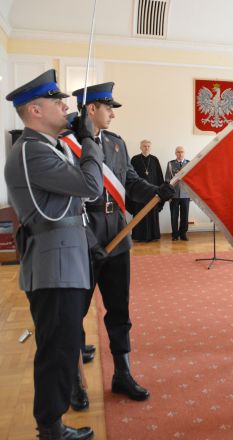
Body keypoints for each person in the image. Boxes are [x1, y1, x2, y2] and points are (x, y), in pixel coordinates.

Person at [4, 69, 103, 440]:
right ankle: (51, 429)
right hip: (54, 265)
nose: (66, 107)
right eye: (57, 102)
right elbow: (90, 187)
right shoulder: (32, 152)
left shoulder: (47, 147)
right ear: (35, 110)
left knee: (61, 347)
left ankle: (53, 425)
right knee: (57, 351)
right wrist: (89, 139)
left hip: (65, 260)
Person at [71, 82, 175, 403]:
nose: (113, 114)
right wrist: (88, 241)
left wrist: (156, 191)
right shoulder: (68, 144)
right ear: (92, 109)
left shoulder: (116, 144)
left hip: (117, 234)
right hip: (82, 236)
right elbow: (67, 200)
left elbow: (130, 182)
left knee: (119, 309)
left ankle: (122, 372)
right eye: (108, 108)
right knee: (74, 311)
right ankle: (74, 379)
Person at [129, 139, 164, 242]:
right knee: (140, 214)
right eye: (144, 146)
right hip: (139, 193)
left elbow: (159, 177)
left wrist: (160, 191)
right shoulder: (134, 159)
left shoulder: (154, 159)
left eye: (148, 146)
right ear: (140, 147)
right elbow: (130, 176)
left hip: (153, 193)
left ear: (150, 147)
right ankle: (139, 236)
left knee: (152, 213)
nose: (146, 148)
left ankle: (153, 235)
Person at [165, 146, 191, 241]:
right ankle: (175, 234)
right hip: (174, 194)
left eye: (182, 152)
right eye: (178, 152)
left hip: (185, 194)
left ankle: (183, 233)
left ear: (184, 153)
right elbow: (167, 178)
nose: (180, 154)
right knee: (174, 215)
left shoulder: (189, 163)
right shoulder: (170, 164)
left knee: (185, 215)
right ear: (175, 153)